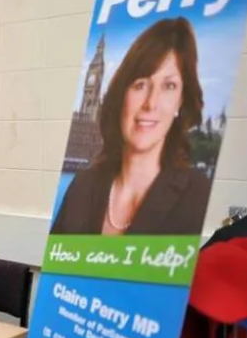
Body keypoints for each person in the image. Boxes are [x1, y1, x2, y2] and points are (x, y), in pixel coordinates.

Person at [51, 17, 211, 236]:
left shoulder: (198, 195)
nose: (150, 103)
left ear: (181, 101)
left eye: (168, 86)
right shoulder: (82, 186)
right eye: (140, 85)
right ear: (122, 94)